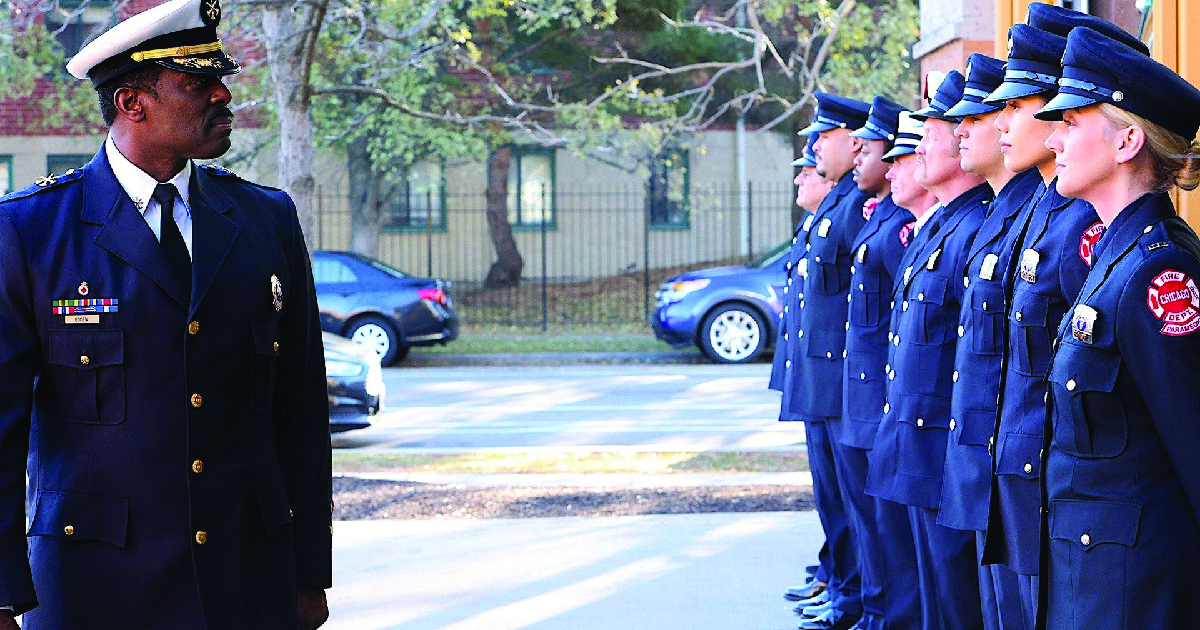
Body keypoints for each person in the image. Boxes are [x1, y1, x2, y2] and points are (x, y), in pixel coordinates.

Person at [0, 0, 333, 627]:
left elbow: (302, 414)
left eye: (220, 78)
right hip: (96, 588)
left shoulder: (266, 220)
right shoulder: (30, 231)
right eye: (197, 83)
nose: (222, 94)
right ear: (132, 103)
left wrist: (309, 570)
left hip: (245, 581)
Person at [978, 9, 1147, 627]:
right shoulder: (1051, 210)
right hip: (1034, 485)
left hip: (1085, 514)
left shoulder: (1104, 238)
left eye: (1019, 106)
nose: (1005, 123)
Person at [1033, 26, 1200, 630]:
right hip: (1094, 576)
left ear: (1128, 140)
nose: (1053, 139)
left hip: (1137, 591)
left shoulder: (1159, 270)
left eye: (1070, 122)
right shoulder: (1113, 255)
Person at [865, 70, 991, 630]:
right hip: (918, 444)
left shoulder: (973, 228)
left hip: (944, 447)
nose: (917, 149)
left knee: (957, 604)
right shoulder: (941, 227)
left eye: (929, 134)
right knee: (934, 598)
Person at [937, 53, 1042, 630]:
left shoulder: (1054, 218)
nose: (966, 129)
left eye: (1004, 109)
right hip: (987, 458)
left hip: (1025, 473)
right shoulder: (1005, 215)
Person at [787, 92, 872, 630]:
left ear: (855, 139)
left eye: (824, 135)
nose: (815, 146)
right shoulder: (839, 202)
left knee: (852, 505)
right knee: (836, 501)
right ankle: (842, 590)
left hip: (842, 381)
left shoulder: (853, 205)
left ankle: (850, 599)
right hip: (822, 380)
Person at [838, 97, 920, 630]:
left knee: (890, 531)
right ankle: (873, 610)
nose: (883, 168)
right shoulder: (882, 218)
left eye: (888, 156)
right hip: (865, 392)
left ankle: (883, 612)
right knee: (871, 522)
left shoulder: (899, 227)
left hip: (883, 396)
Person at [777, 133, 837, 605]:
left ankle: (840, 582)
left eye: (807, 171)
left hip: (831, 380)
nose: (799, 179)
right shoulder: (815, 223)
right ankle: (834, 573)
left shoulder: (843, 217)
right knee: (830, 492)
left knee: (842, 495)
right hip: (811, 374)